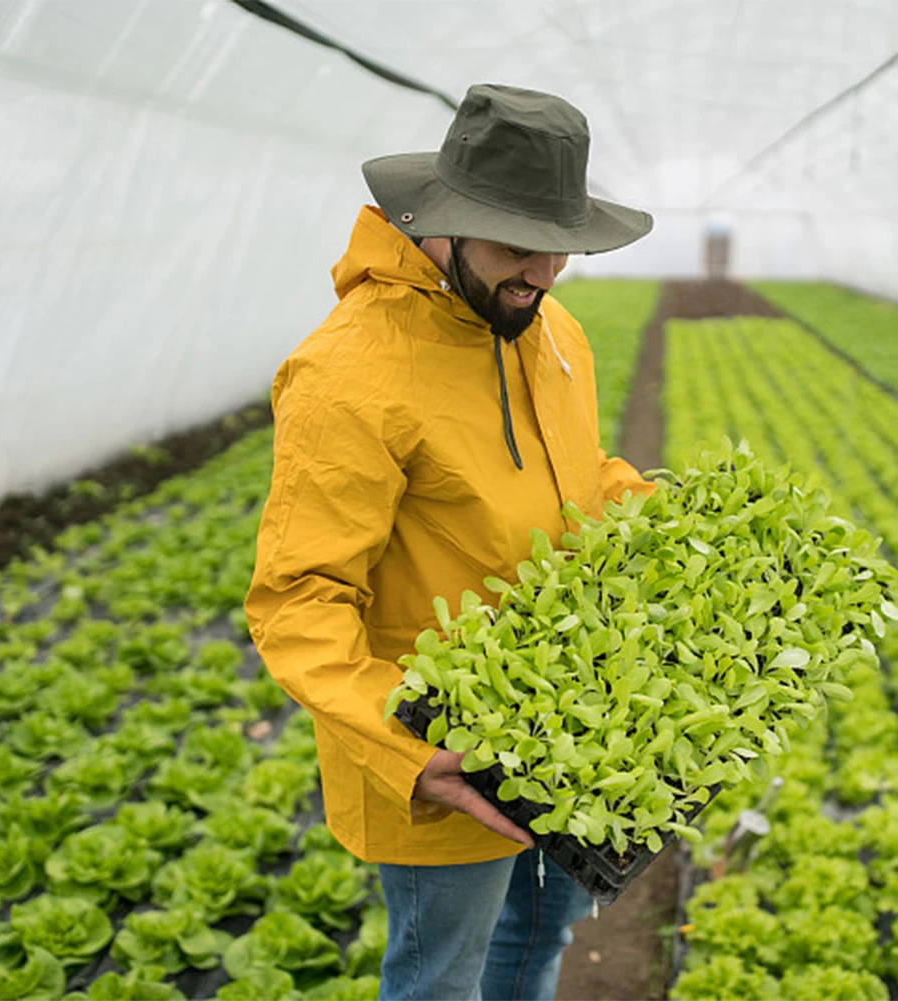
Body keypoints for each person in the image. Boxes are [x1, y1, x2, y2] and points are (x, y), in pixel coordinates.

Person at [245, 84, 655, 1001]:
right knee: (442, 979)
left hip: (570, 727)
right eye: (517, 245)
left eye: (562, 247)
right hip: (446, 762)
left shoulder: (550, 332)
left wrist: (660, 519)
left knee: (537, 941)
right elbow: (297, 601)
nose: (544, 272)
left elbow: (574, 475)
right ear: (444, 222)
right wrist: (409, 752)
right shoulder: (349, 375)